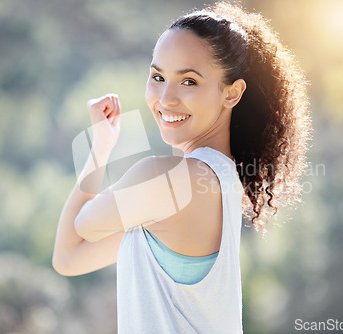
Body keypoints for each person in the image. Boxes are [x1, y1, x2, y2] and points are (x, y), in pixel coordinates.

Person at [52, 2, 311, 333]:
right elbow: (69, 258)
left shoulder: (173, 181)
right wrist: (102, 144)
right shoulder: (218, 181)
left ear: (232, 93)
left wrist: (101, 149)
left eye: (188, 81)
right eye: (158, 77)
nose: (166, 98)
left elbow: (83, 226)